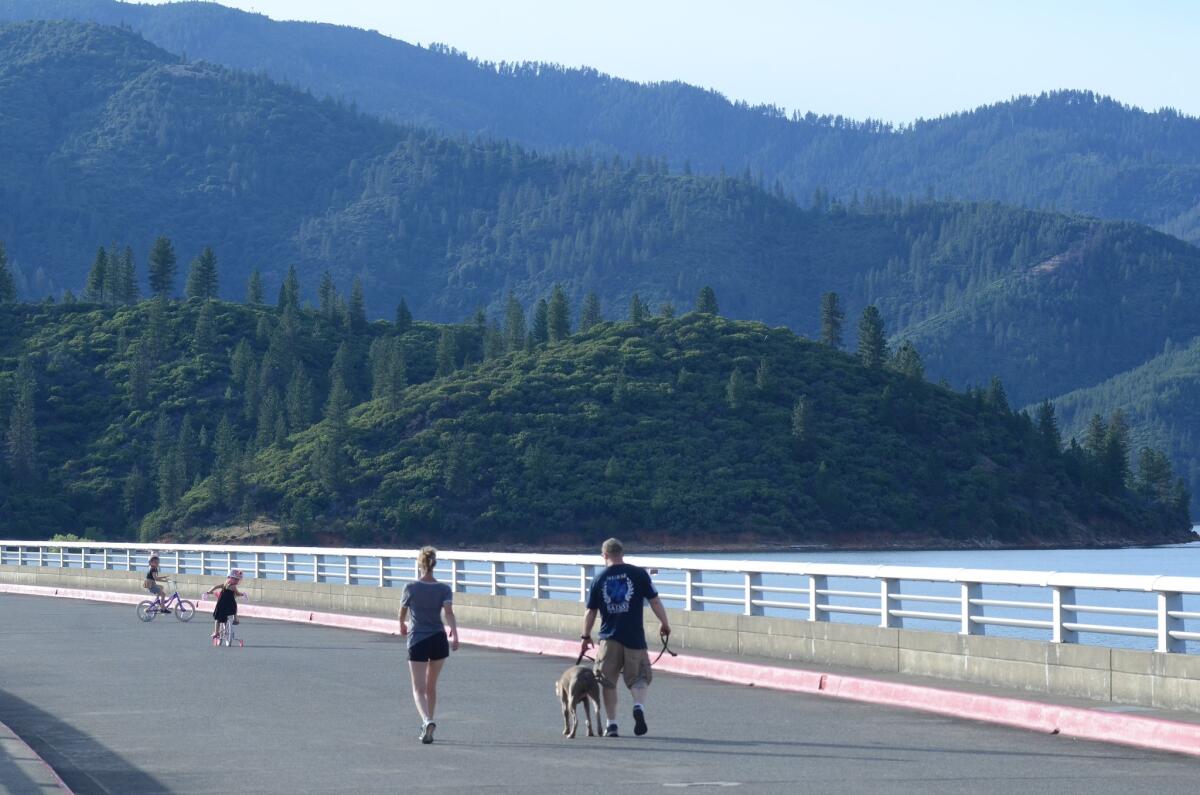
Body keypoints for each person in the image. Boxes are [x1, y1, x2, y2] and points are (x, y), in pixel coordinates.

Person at [581, 538, 671, 738]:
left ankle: (611, 724)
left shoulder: (599, 579)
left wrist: (585, 636)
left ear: (604, 555)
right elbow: (654, 601)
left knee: (607, 681)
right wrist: (665, 624)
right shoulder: (638, 574)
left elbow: (591, 611)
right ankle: (638, 705)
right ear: (622, 553)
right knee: (639, 677)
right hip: (634, 637)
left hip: (609, 637)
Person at [399, 546, 459, 744]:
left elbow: (403, 611)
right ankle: (429, 724)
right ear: (434, 565)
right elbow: (448, 613)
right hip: (438, 639)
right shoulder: (444, 589)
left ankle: (427, 720)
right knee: (431, 686)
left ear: (419, 564)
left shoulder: (411, 588)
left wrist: (401, 624)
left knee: (418, 688)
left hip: (418, 639)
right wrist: (455, 635)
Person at [207, 570, 246, 640]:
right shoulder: (233, 587)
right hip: (230, 604)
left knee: (218, 619)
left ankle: (216, 632)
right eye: (236, 579)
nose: (237, 581)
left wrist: (209, 591)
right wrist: (243, 594)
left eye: (238, 579)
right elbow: (237, 593)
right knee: (234, 609)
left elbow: (215, 586)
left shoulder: (224, 584)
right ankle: (235, 619)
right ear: (231, 578)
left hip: (221, 604)